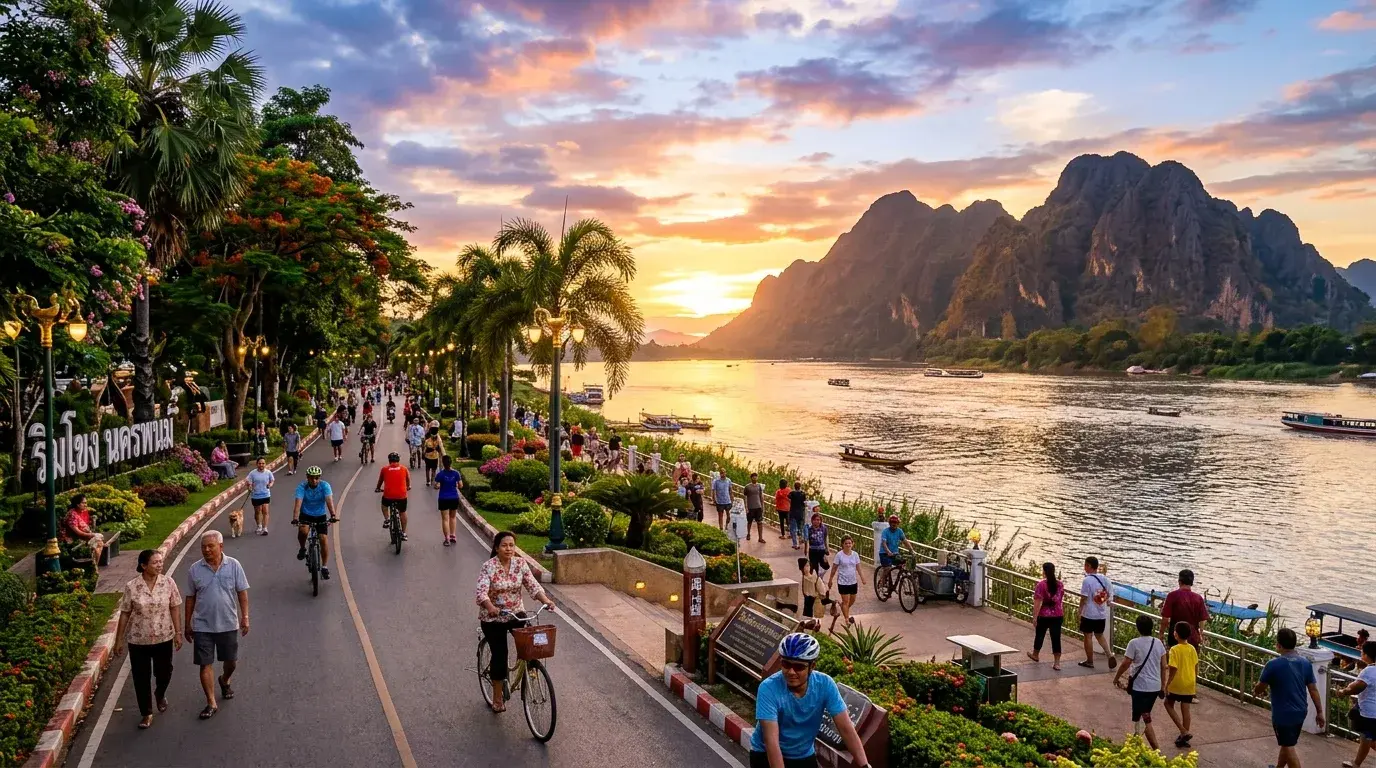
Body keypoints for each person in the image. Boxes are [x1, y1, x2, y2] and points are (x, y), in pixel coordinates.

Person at [749, 633, 872, 768]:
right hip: (765, 753)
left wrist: (865, 765)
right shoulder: (768, 688)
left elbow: (846, 729)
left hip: (803, 754)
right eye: (786, 664)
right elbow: (771, 741)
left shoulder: (825, 684)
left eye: (799, 667)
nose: (791, 672)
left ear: (812, 666)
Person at [475, 531, 556, 712]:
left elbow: (532, 585)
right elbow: (481, 592)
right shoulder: (488, 566)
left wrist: (546, 600)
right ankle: (497, 698)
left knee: (531, 646)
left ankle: (529, 669)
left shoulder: (520, 564)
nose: (509, 549)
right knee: (500, 655)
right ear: (497, 547)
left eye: (512, 545)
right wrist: (490, 607)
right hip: (493, 618)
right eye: (505, 545)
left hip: (516, 614)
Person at [114, 549, 183, 730]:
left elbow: (175, 608)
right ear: (144, 566)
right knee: (141, 677)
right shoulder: (132, 586)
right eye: (155, 562)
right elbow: (125, 613)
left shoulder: (168, 583)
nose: (159, 565)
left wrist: (178, 632)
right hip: (138, 640)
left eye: (160, 562)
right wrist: (118, 640)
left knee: (164, 672)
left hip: (164, 637)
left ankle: (160, 693)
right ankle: (146, 713)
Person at [184, 531, 249, 721]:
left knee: (231, 662)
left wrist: (245, 617)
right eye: (203, 547)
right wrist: (187, 624)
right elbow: (190, 598)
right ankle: (211, 702)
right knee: (205, 664)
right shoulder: (194, 570)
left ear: (221, 547)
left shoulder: (234, 565)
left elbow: (242, 592)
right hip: (202, 625)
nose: (206, 550)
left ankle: (224, 679)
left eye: (210, 546)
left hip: (228, 622)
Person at [1254, 627, 1324, 768]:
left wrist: (1257, 691)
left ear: (1278, 645)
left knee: (1287, 745)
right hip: (1300, 711)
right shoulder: (1305, 663)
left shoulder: (1273, 665)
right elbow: (1313, 690)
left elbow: (1260, 687)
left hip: (1283, 713)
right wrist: (1320, 712)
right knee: (1288, 743)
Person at [1113, 614, 1166, 750]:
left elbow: (1126, 663)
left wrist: (1117, 677)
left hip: (1140, 687)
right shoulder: (1158, 643)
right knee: (1140, 714)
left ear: (1138, 628)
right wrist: (1163, 685)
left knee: (1144, 717)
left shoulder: (1134, 643)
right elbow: (1163, 665)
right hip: (1154, 686)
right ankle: (1136, 740)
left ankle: (1156, 750)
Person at [292, 466, 338, 579]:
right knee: (303, 531)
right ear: (307, 477)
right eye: (312, 478)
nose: (314, 481)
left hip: (320, 515)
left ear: (319, 478)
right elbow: (298, 502)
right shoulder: (302, 487)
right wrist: (295, 518)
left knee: (323, 539)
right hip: (306, 514)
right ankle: (303, 548)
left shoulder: (325, 486)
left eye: (317, 478)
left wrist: (332, 515)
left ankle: (325, 567)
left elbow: (329, 500)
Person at [1338, 641, 1376, 768]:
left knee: (1366, 738)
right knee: (1371, 739)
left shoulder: (1369, 671)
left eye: (1362, 652)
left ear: (1366, 655)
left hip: (1369, 712)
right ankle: (1356, 763)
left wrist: (1343, 691)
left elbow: (1356, 687)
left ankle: (1356, 764)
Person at [1078, 556, 1117, 670]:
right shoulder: (1105, 579)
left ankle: (1089, 661)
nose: (1084, 567)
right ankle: (1109, 654)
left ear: (1089, 566)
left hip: (1088, 614)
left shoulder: (1087, 580)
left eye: (1085, 565)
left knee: (1088, 636)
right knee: (1099, 635)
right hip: (1101, 614)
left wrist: (1080, 610)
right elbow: (1110, 597)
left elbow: (1084, 598)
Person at [1164, 621, 1199, 748]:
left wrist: (1167, 684)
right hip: (1189, 683)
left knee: (1168, 704)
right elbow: (1196, 666)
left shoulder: (1174, 649)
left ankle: (1183, 731)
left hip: (1177, 683)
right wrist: (1194, 682)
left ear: (1176, 635)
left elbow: (1173, 668)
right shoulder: (1192, 648)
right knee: (1186, 710)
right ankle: (1184, 738)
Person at [1027, 561, 1065, 671]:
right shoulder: (1060, 584)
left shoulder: (1041, 585)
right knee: (1056, 637)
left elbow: (1037, 602)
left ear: (1044, 571)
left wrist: (1035, 617)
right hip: (1057, 614)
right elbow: (1060, 599)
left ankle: (1035, 654)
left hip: (1044, 614)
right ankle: (1057, 662)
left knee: (1040, 634)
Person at [1161, 569, 1209, 648]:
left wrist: (1161, 634)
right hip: (1192, 639)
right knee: (1191, 660)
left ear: (1179, 581)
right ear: (1192, 583)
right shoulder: (1198, 598)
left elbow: (1165, 619)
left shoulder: (1172, 596)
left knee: (1174, 659)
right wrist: (1200, 633)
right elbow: (1202, 619)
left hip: (1175, 637)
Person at [827, 536, 863, 629]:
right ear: (842, 544)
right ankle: (847, 619)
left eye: (849, 543)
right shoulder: (839, 555)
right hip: (843, 582)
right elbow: (834, 568)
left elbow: (858, 566)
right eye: (846, 543)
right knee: (846, 601)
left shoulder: (855, 554)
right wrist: (830, 579)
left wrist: (862, 577)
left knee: (852, 600)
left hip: (853, 581)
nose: (848, 545)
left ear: (852, 544)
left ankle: (843, 607)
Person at [60, 493, 105, 568]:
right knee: (98, 542)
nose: (86, 505)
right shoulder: (72, 514)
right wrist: (92, 535)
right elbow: (77, 532)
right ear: (77, 504)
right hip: (72, 541)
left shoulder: (81, 512)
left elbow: (85, 525)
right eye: (84, 503)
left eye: (86, 503)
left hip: (82, 538)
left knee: (99, 542)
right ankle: (94, 567)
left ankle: (94, 566)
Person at [375, 451, 411, 539]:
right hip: (401, 495)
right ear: (398, 460)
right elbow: (408, 480)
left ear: (389, 461)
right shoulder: (404, 468)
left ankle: (387, 519)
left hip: (388, 495)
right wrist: (408, 486)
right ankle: (404, 533)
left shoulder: (384, 469)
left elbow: (380, 481)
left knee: (384, 505)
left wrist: (378, 488)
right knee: (402, 512)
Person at [434, 455, 464, 546]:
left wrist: (438, 486)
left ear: (443, 463)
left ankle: (447, 538)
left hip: (443, 498)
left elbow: (436, 485)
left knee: (445, 519)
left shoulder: (440, 474)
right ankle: (453, 535)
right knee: (453, 517)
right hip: (454, 497)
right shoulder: (456, 473)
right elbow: (461, 485)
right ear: (451, 463)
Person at [797, 558, 833, 624]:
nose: (807, 568)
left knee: (816, 621)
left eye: (808, 566)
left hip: (816, 602)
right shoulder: (804, 577)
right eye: (806, 566)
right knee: (810, 620)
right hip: (808, 602)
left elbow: (822, 591)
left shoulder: (815, 578)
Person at [246, 458, 274, 536]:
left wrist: (270, 485)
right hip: (256, 496)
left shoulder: (268, 472)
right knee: (257, 512)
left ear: (265, 464)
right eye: (259, 463)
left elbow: (272, 480)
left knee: (265, 511)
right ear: (257, 464)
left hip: (265, 494)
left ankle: (265, 528)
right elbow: (248, 482)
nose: (261, 465)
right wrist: (249, 487)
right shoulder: (252, 473)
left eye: (263, 463)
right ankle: (259, 526)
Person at [804, 508, 829, 574]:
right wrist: (805, 549)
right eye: (814, 520)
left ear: (820, 521)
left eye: (818, 520)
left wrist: (827, 549)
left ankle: (820, 578)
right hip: (813, 551)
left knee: (826, 566)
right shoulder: (809, 529)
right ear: (812, 520)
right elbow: (806, 540)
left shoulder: (824, 528)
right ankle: (816, 581)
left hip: (821, 550)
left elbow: (825, 538)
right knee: (814, 568)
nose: (816, 521)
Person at [743, 472, 766, 543]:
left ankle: (760, 538)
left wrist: (762, 506)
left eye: (756, 477)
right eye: (754, 477)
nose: (755, 478)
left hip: (758, 507)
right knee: (749, 522)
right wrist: (746, 507)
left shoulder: (759, 486)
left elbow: (761, 496)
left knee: (760, 522)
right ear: (751, 478)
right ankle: (748, 534)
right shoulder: (747, 487)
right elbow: (745, 496)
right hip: (750, 507)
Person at [787, 482, 807, 550]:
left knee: (793, 529)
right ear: (800, 486)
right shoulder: (803, 494)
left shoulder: (792, 493)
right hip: (800, 513)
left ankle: (795, 544)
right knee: (800, 527)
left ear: (794, 486)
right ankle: (801, 538)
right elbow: (805, 502)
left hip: (793, 513)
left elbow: (788, 497)